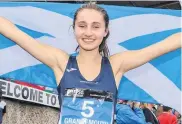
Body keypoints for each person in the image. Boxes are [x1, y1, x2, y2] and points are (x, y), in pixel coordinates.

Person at [0, 2, 181, 122]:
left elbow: (162, 46)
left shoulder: (116, 65)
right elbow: (17, 34)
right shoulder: (61, 62)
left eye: (96, 26)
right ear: (74, 29)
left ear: (105, 31)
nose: (88, 32)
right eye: (82, 25)